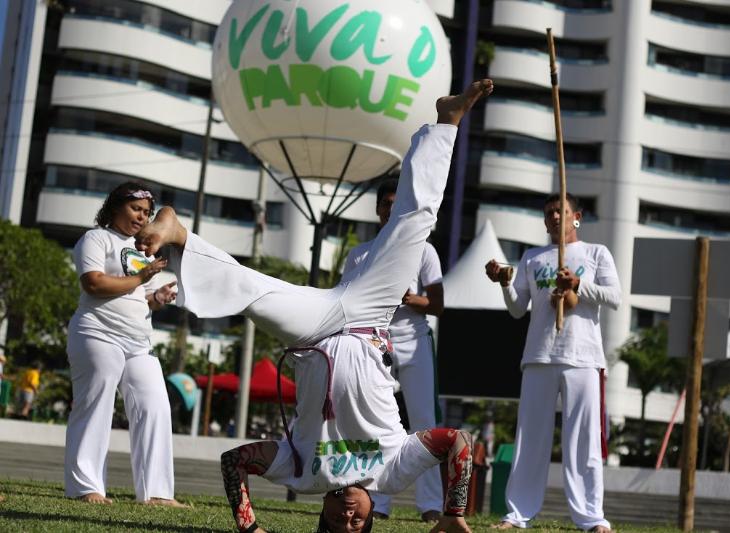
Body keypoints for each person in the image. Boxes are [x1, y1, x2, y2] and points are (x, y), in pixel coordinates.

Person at [135, 79, 494, 533]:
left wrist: (249, 527)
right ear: (369, 523)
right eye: (356, 526)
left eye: (336, 526)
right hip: (367, 316)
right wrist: (453, 514)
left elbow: (235, 461)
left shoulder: (303, 474)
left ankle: (180, 233)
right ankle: (448, 120)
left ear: (320, 517)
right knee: (414, 225)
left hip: (315, 331)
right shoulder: (392, 471)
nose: (347, 517)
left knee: (250, 291)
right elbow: (457, 441)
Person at [485, 193, 619, 532]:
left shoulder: (595, 253)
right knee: (530, 437)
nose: (556, 217)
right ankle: (517, 514)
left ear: (577, 216)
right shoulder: (532, 257)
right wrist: (504, 282)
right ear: (545, 221)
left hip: (582, 357)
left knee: (583, 438)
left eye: (562, 211)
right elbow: (517, 308)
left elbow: (614, 297)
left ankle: (592, 518)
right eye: (550, 213)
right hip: (539, 355)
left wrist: (578, 284)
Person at [63, 181, 183, 507]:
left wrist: (156, 296)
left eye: (146, 212)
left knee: (155, 405)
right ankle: (86, 487)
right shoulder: (96, 238)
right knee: (96, 406)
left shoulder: (143, 249)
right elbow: (94, 284)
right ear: (115, 206)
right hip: (97, 332)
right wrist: (143, 279)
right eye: (135, 209)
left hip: (138, 341)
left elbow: (136, 295)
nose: (142, 217)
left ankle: (157, 493)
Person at [341, 177, 445, 522]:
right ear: (377, 209)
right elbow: (346, 301)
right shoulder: (360, 254)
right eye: (385, 204)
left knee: (423, 422)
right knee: (375, 422)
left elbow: (437, 304)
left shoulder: (424, 250)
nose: (390, 209)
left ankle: (430, 504)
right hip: (372, 341)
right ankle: (377, 503)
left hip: (414, 340)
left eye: (396, 204)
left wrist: (408, 298)